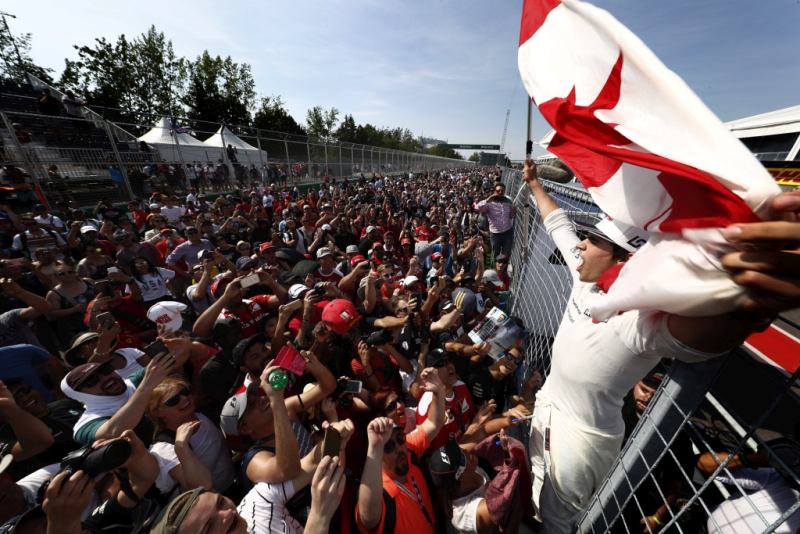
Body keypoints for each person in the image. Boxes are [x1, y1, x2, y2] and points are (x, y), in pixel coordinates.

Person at [521, 160, 787, 532]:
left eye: (593, 240)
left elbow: (703, 336)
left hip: (578, 438)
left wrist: (749, 303)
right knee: (536, 489)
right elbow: (559, 226)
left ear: (623, 260)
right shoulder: (585, 276)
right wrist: (534, 185)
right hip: (548, 407)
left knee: (558, 523)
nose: (580, 244)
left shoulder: (635, 322)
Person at [356, 367, 446, 534]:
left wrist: (438, 391)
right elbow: (368, 518)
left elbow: (433, 423)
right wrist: (375, 447)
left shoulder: (409, 448)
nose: (399, 449)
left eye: (399, 439)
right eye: (388, 447)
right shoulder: (379, 489)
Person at [475, 182, 514, 259]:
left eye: (502, 191)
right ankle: (496, 268)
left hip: (508, 232)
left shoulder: (508, 201)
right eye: (498, 191)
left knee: (506, 253)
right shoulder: (489, 203)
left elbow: (510, 216)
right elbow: (477, 208)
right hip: (495, 234)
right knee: (495, 254)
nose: (500, 192)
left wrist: (513, 212)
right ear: (494, 191)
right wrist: (488, 199)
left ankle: (503, 268)